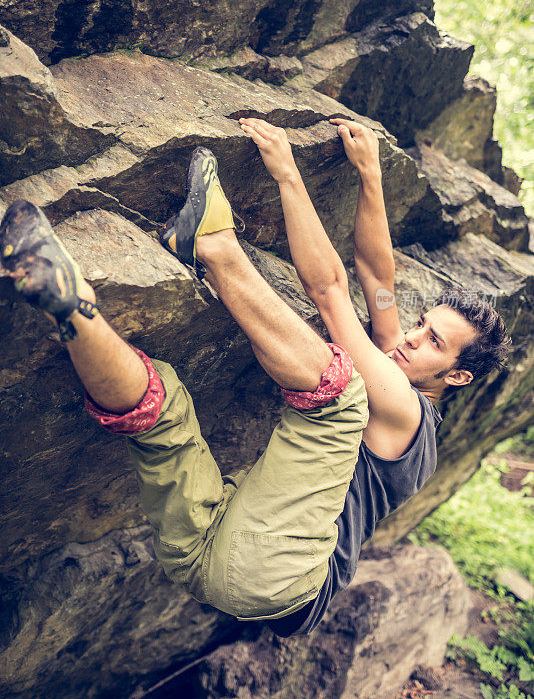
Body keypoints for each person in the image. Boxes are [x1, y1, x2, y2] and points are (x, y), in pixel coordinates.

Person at [0, 118, 511, 637]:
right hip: (216, 551)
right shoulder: (400, 369)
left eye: (434, 343)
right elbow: (378, 278)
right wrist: (371, 175)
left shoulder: (405, 411)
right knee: (163, 409)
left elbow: (333, 293)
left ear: (460, 376)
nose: (411, 337)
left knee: (342, 396)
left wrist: (288, 174)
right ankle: (71, 309)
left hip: (286, 575)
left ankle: (214, 245)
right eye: (423, 325)